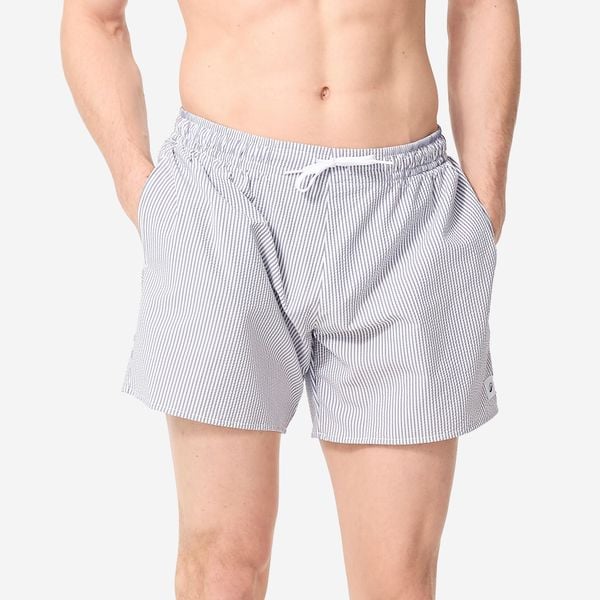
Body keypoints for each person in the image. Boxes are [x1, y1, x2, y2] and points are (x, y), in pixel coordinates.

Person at [61, 0, 520, 597]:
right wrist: (139, 188)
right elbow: (94, 17)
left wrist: (486, 201)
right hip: (219, 202)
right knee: (222, 564)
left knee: (398, 579)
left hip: (406, 209)